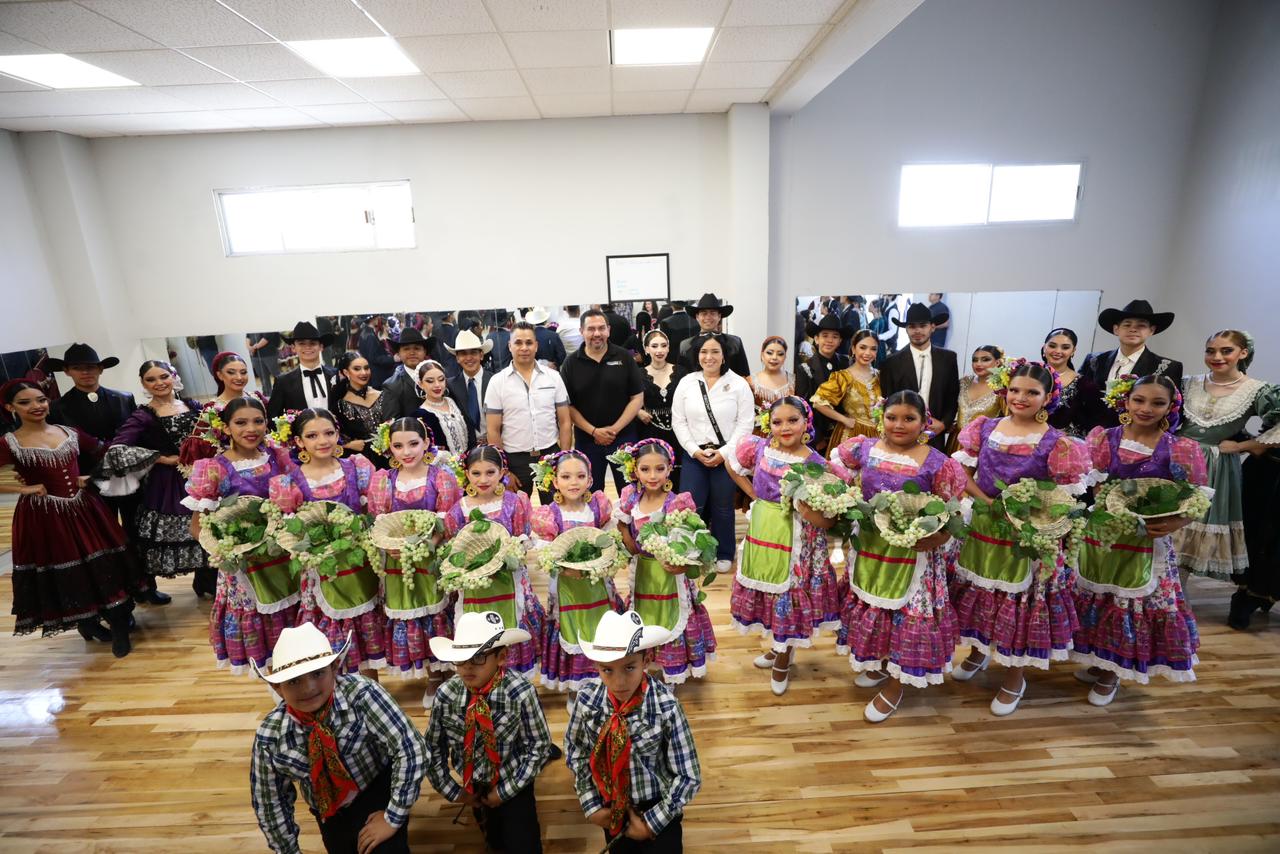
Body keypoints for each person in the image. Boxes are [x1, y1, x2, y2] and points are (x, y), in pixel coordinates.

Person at [949, 361, 1090, 716]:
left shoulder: (1059, 443)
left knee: (1020, 603)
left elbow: (1063, 497)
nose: (1020, 398)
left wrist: (1028, 515)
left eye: (1031, 392)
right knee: (982, 593)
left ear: (1048, 397)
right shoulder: (984, 427)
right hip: (984, 526)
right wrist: (987, 503)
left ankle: (1015, 676)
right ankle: (979, 652)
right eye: (1014, 390)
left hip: (1027, 535)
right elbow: (962, 472)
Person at [830, 391, 969, 722]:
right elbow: (837, 475)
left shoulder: (938, 463)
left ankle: (896, 686)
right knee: (876, 609)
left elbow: (952, 512)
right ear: (882, 418)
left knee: (907, 617)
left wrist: (939, 536)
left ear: (924, 422)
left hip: (914, 555)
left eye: (909, 418)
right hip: (871, 549)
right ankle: (880, 663)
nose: (899, 425)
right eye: (892, 417)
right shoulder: (863, 448)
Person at [1073, 376, 1207, 705]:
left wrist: (1174, 522)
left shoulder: (1180, 448)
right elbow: (1088, 485)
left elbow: (1196, 500)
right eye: (1139, 400)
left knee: (1130, 604)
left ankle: (1114, 672)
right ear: (1126, 401)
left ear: (1170, 406)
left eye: (1157, 402)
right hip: (1102, 537)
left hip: (1147, 542)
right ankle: (1099, 659)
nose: (1146, 408)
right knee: (1099, 599)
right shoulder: (1103, 439)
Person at [250, 623, 428, 854]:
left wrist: (392, 817)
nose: (308, 688)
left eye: (317, 673)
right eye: (293, 681)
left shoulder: (363, 694)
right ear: (277, 687)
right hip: (329, 811)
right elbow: (270, 802)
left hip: (377, 789)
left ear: (334, 668)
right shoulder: (270, 736)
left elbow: (411, 749)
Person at [1, 380, 145, 656]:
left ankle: (118, 626)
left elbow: (108, 451)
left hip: (86, 509)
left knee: (104, 563)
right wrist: (24, 488)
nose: (36, 406)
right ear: (10, 408)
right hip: (44, 516)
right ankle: (87, 623)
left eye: (41, 399)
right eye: (25, 402)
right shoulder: (9, 443)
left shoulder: (69, 432)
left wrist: (93, 475)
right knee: (69, 570)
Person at [726, 397, 842, 695]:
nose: (785, 427)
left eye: (793, 420)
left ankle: (783, 655)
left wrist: (809, 513)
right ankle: (779, 644)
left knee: (789, 594)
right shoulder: (760, 447)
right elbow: (731, 464)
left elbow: (829, 519)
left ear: (806, 423)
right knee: (768, 589)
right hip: (765, 530)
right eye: (777, 422)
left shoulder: (816, 464)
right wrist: (756, 496)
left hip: (799, 540)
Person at [565, 609, 701, 851]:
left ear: (646, 661)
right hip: (611, 806)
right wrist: (591, 804)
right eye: (607, 670)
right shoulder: (586, 702)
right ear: (596, 666)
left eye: (629, 668)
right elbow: (577, 752)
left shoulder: (666, 707)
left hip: (659, 807)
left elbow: (688, 776)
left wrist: (651, 823)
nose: (619, 682)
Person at [184, 397, 298, 674]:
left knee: (296, 631)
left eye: (258, 421)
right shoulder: (214, 468)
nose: (251, 428)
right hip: (245, 566)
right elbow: (197, 526)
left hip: (285, 559)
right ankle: (279, 686)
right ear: (226, 427)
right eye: (241, 422)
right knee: (267, 635)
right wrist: (226, 552)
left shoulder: (277, 457)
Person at [269, 409, 387, 675]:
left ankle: (371, 686)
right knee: (331, 638)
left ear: (337, 435)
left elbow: (373, 513)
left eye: (328, 433)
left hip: (360, 565)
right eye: (312, 435)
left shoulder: (357, 467)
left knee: (367, 629)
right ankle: (338, 686)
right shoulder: (289, 483)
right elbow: (288, 532)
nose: (322, 441)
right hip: (321, 570)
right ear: (299, 442)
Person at [424, 611, 554, 854]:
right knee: (493, 836)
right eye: (460, 659)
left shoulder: (521, 692)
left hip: (514, 780)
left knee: (523, 840)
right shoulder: (445, 695)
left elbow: (539, 746)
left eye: (479, 657)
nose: (467, 666)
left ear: (501, 657)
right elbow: (432, 749)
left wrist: (504, 792)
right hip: (473, 784)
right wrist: (455, 792)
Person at [45, 343, 157, 605]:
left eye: (91, 367)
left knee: (137, 531)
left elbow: (136, 435)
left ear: (100, 369)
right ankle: (119, 595)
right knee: (105, 538)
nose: (86, 372)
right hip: (90, 480)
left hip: (127, 477)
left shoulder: (123, 398)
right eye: (78, 368)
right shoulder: (58, 407)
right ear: (67, 371)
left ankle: (146, 586)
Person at [98, 360, 214, 598]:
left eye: (163, 376)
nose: (159, 383)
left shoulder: (191, 405)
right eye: (151, 379)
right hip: (168, 483)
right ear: (143, 384)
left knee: (207, 526)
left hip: (201, 476)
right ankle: (148, 588)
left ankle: (206, 580)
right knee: (182, 529)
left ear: (173, 376)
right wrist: (160, 458)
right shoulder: (143, 415)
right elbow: (116, 449)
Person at [1173, 330, 1280, 583]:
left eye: (1226, 351)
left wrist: (1244, 445)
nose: (1217, 357)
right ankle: (1161, 592)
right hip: (1176, 460)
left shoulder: (1257, 390)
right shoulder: (1187, 383)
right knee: (1165, 526)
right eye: (1211, 351)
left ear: (1243, 353)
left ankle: (1177, 592)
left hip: (1215, 467)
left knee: (1190, 530)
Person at [366, 418, 462, 691]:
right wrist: (390, 547)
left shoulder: (441, 477)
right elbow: (379, 523)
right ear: (390, 448)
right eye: (398, 446)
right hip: (398, 562)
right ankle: (430, 674)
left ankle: (444, 671)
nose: (406, 452)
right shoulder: (383, 481)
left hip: (430, 560)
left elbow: (448, 521)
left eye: (413, 444)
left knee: (436, 613)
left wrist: (428, 544)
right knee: (411, 614)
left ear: (426, 443)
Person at [613, 440, 718, 684]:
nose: (653, 476)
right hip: (643, 574)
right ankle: (650, 667)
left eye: (659, 469)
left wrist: (681, 565)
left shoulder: (677, 503)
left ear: (670, 469)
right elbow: (623, 525)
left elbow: (692, 545)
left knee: (670, 618)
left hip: (670, 577)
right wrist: (627, 540)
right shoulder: (630, 498)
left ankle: (671, 672)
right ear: (635, 470)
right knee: (646, 616)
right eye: (645, 469)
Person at [528, 450, 623, 707]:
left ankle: (602, 681)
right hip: (566, 587)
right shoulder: (549, 514)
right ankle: (574, 686)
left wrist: (605, 558)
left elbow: (609, 540)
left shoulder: (598, 507)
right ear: (554, 481)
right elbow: (547, 552)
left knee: (599, 628)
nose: (574, 482)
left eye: (580, 476)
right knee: (572, 631)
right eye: (566, 476)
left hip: (597, 585)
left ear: (590, 479)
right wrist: (563, 567)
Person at [443, 445, 546, 678]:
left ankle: (514, 680)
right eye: (476, 473)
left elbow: (522, 537)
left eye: (490, 472)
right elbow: (455, 548)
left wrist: (513, 553)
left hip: (509, 581)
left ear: (502, 473)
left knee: (511, 629)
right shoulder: (459, 510)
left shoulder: (514, 502)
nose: (483, 479)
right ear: (466, 474)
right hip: (475, 587)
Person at [671, 334, 754, 571]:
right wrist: (694, 450)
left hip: (726, 456)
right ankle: (689, 551)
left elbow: (745, 424)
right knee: (690, 506)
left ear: (724, 355)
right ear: (697, 355)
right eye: (704, 352)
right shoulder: (687, 382)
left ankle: (724, 552)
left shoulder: (738, 384)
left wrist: (725, 452)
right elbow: (678, 421)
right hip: (694, 455)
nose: (709, 357)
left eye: (715, 351)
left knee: (723, 506)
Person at [561, 309, 647, 494]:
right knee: (589, 496)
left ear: (608, 330)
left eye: (601, 328)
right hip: (587, 440)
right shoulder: (570, 364)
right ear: (581, 331)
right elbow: (568, 406)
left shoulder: (624, 357)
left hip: (623, 438)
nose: (597, 333)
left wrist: (614, 429)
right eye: (591, 329)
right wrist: (594, 431)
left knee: (631, 495)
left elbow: (637, 398)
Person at [485, 322, 573, 501]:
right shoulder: (497, 382)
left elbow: (565, 422)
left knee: (555, 511)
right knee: (515, 512)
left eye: (529, 342)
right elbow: (493, 430)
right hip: (514, 461)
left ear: (536, 346)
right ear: (510, 346)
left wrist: (563, 460)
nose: (524, 348)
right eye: (518, 342)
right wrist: (504, 470)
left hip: (549, 456)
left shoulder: (553, 377)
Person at [1080, 299, 1184, 426]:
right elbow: (1079, 398)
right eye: (1127, 325)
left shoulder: (1168, 366)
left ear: (1151, 330)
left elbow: (1174, 410)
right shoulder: (1094, 360)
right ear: (1116, 329)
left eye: (1141, 325)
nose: (1133, 329)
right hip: (1091, 431)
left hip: (1139, 433)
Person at [877, 302, 960, 450]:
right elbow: (888, 400)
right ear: (906, 329)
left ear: (932, 327)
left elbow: (952, 396)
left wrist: (943, 424)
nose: (917, 331)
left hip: (935, 434)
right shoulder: (891, 363)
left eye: (923, 325)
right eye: (912, 326)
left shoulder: (948, 359)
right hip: (901, 434)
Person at [636, 329, 688, 494]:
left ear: (668, 348)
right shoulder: (638, 374)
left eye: (663, 346)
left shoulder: (681, 372)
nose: (659, 350)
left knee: (679, 475)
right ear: (646, 349)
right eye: (654, 346)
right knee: (654, 474)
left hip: (678, 431)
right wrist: (638, 412)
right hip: (650, 430)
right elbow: (626, 398)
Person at [810, 329, 880, 451]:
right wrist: (844, 419)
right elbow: (818, 402)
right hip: (852, 436)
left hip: (878, 437)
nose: (868, 353)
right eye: (862, 347)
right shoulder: (843, 377)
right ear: (853, 349)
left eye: (873, 349)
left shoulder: (880, 376)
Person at [796, 314, 852, 451]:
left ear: (840, 341)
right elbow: (803, 406)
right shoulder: (805, 368)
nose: (829, 340)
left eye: (835, 337)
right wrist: (817, 437)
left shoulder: (847, 364)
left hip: (845, 432)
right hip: (818, 436)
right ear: (816, 339)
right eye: (825, 336)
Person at [327, 351, 387, 470]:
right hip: (360, 460)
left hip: (388, 455)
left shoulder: (382, 395)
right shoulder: (339, 403)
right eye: (357, 369)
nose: (364, 373)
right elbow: (333, 433)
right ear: (346, 372)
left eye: (366, 368)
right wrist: (348, 444)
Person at [1042, 328, 1104, 438]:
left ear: (1073, 351)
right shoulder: (1027, 375)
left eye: (1065, 347)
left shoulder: (1085, 385)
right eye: (1052, 346)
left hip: (1065, 444)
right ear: (1044, 347)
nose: (1058, 351)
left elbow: (1094, 422)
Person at [267, 322, 337, 419]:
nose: (307, 347)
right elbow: (273, 416)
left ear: (321, 347)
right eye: (301, 343)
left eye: (312, 343)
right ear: (293, 348)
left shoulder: (336, 375)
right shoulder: (283, 382)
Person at [945, 345, 1005, 456]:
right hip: (955, 442)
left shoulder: (1002, 389)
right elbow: (950, 406)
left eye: (985, 359)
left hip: (980, 446)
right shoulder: (964, 382)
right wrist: (949, 422)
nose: (978, 364)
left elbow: (1008, 419)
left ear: (997, 362)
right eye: (975, 360)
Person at [675, 294, 749, 377]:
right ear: (697, 317)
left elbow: (744, 375)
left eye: (713, 313)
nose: (708, 317)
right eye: (704, 313)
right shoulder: (685, 346)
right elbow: (680, 377)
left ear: (719, 316)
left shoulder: (734, 342)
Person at [411, 360, 474, 457]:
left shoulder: (453, 401)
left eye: (441, 379)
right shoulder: (419, 415)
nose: (437, 385)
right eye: (430, 381)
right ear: (420, 384)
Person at [444, 330, 493, 445]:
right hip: (466, 448)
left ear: (481, 355)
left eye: (473, 353)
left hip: (495, 444)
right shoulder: (450, 386)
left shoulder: (495, 380)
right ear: (457, 358)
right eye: (463, 354)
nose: (469, 358)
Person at [378, 328, 434, 421]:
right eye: (406, 349)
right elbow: (392, 424)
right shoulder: (391, 386)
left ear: (425, 352)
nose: (412, 353)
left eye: (417, 348)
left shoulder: (437, 377)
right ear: (399, 354)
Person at [746, 336, 795, 430]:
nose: (774, 357)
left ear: (785, 357)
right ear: (762, 354)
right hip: (758, 435)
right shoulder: (750, 382)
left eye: (780, 354)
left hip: (787, 432)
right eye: (769, 353)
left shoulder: (794, 381)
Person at [356, 316, 397, 390]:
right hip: (376, 377)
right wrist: (393, 359)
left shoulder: (365, 332)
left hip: (372, 375)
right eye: (377, 318)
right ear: (372, 319)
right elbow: (374, 358)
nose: (378, 320)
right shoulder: (370, 336)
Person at [658, 300, 695, 368]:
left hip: (672, 360)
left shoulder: (665, 322)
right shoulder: (694, 320)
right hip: (692, 359)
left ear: (672, 306)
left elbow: (664, 344)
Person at [247, 330, 282, 396]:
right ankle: (267, 394)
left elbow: (267, 338)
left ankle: (284, 392)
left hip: (270, 354)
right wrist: (249, 347)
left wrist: (254, 347)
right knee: (263, 377)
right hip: (256, 356)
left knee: (276, 374)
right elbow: (248, 337)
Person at [435, 311, 460, 376]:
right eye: (453, 314)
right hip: (454, 368)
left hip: (439, 368)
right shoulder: (455, 331)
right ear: (450, 316)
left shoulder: (436, 332)